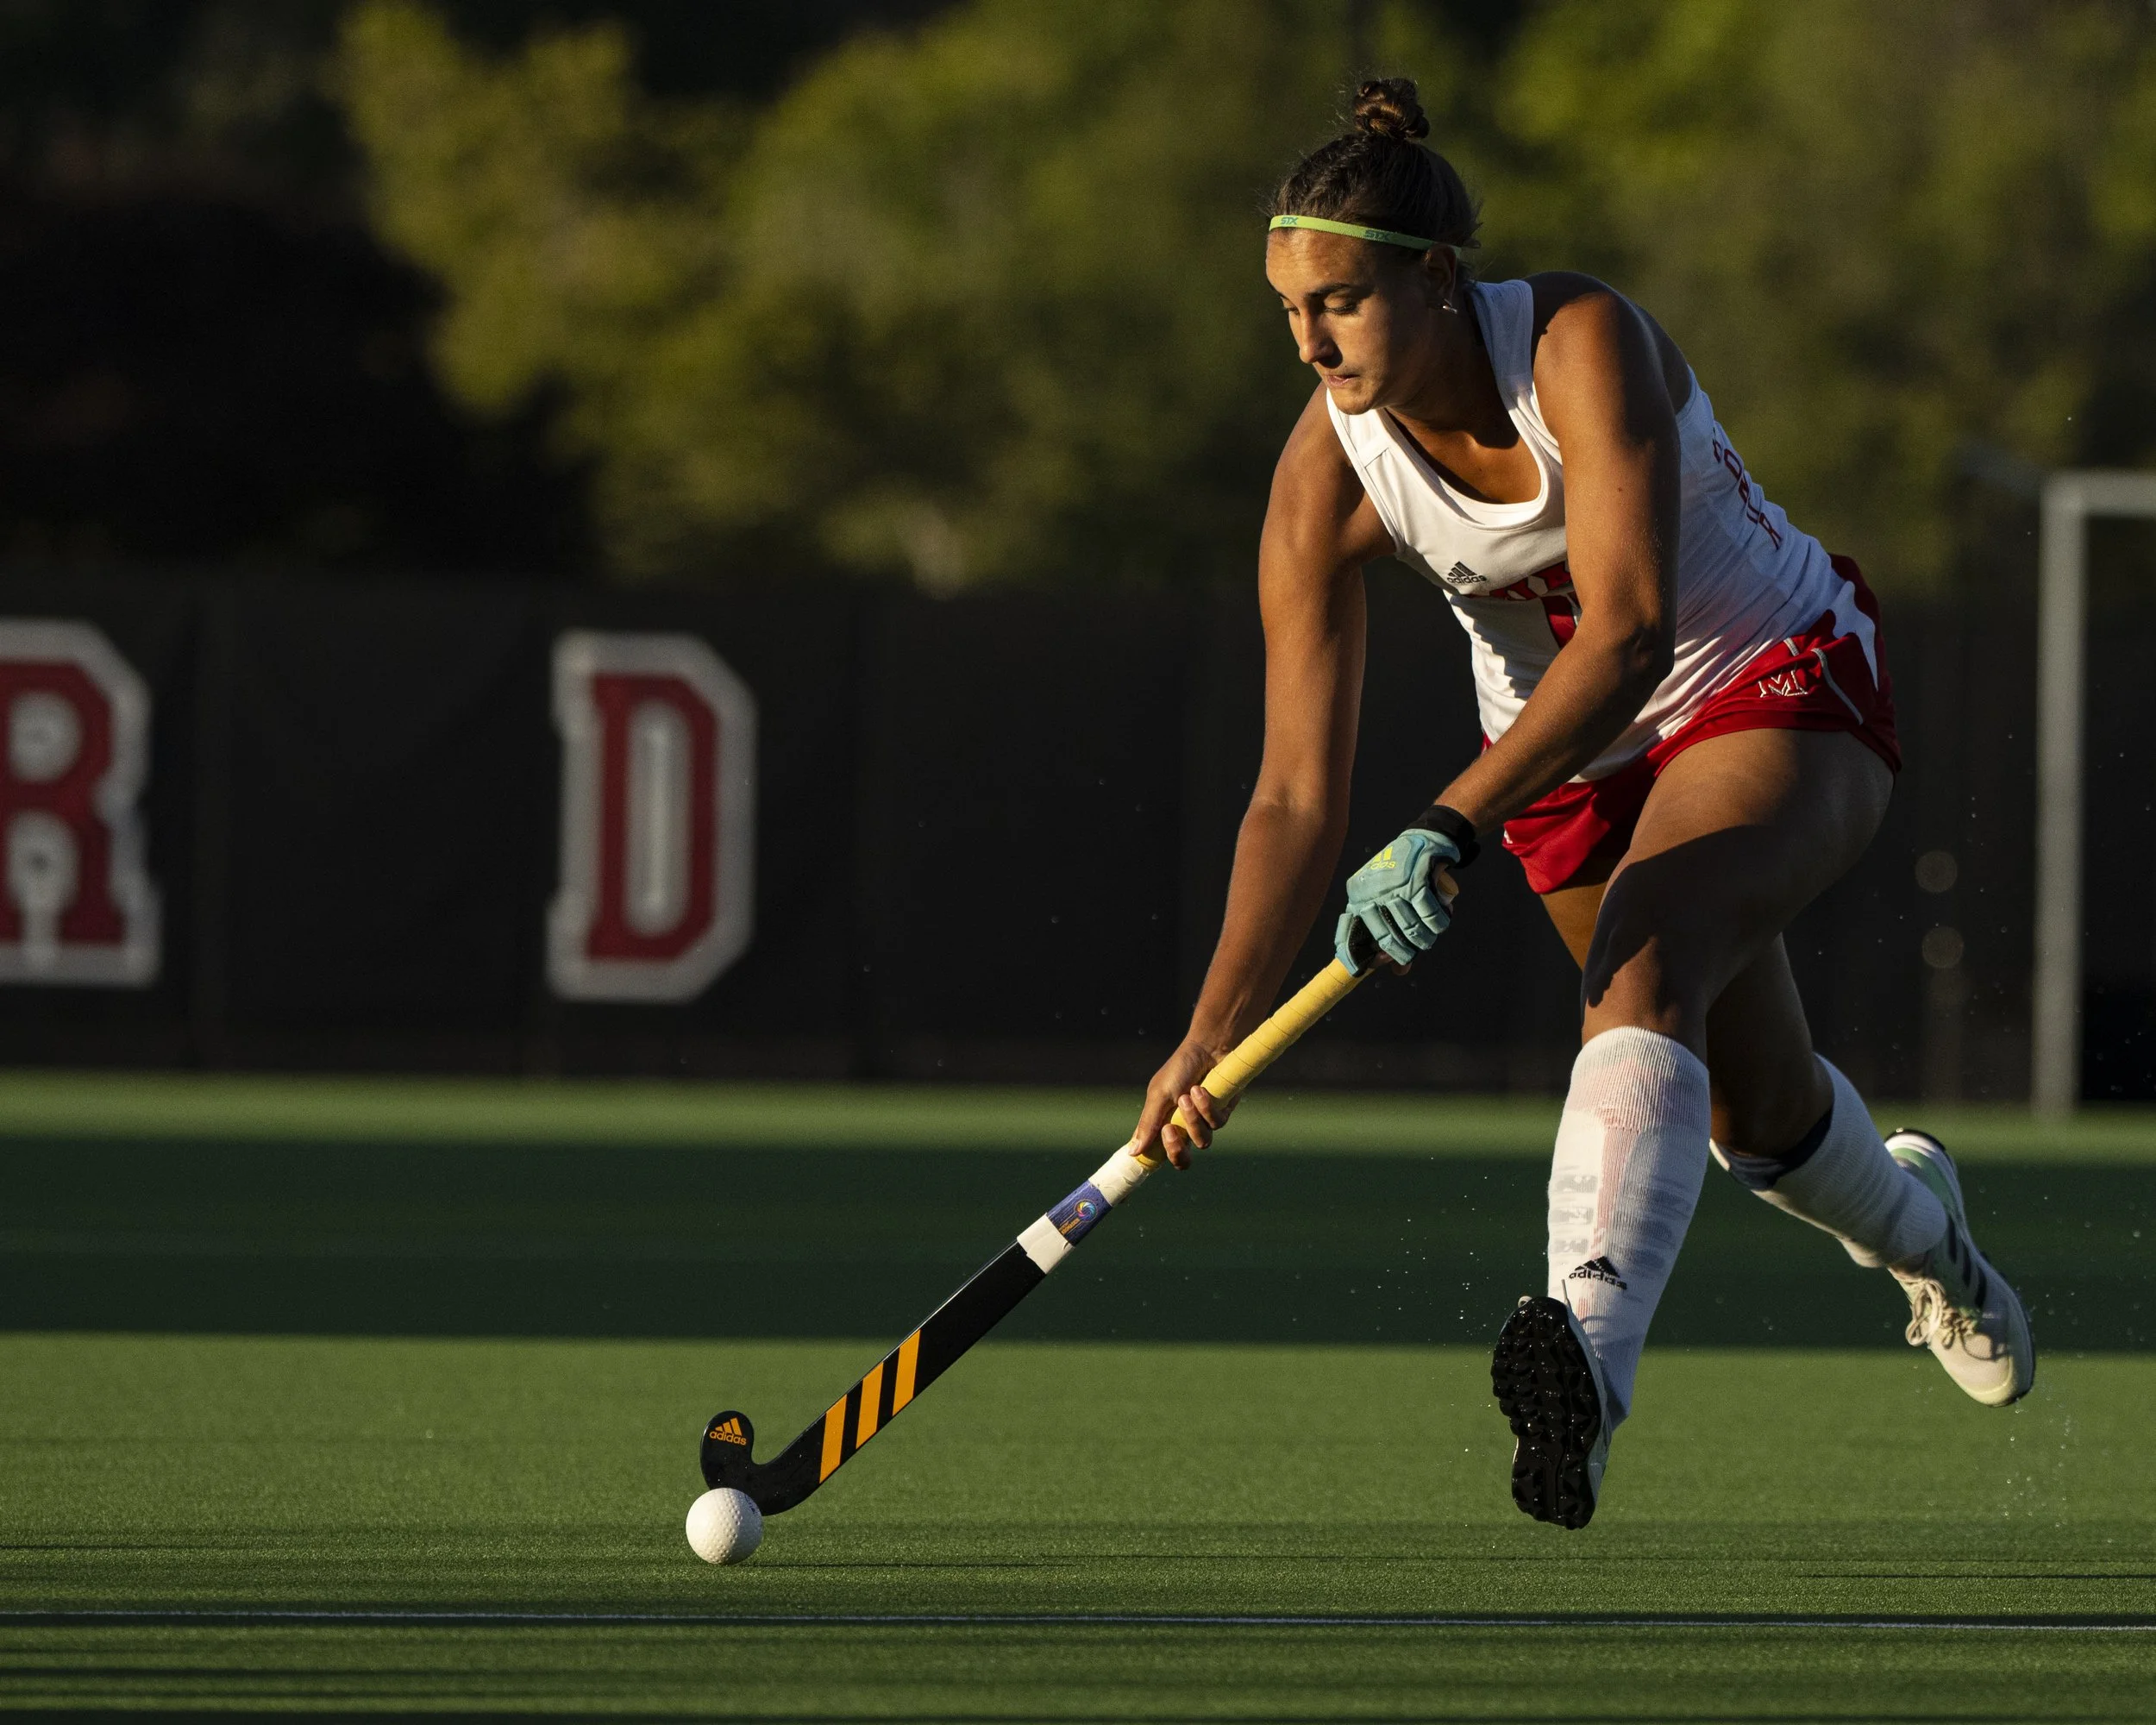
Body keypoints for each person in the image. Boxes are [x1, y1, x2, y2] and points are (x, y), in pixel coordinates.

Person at [1127, 78, 2034, 1530]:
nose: (1309, 344)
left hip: (1766, 677)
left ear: (1436, 281)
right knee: (1758, 1113)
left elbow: (1625, 632)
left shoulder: (1579, 344)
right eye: (1289, 312)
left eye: (1342, 304)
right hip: (1566, 767)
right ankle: (1937, 1251)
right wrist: (1209, 1034)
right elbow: (1293, 793)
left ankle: (1585, 1382)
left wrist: (1445, 820)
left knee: (1651, 947)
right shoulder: (1325, 475)